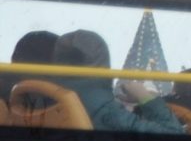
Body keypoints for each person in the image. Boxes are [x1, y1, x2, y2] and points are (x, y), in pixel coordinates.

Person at [54, 29, 183, 133]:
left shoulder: (44, 93)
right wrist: (145, 97)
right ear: (102, 63)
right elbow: (173, 136)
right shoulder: (105, 110)